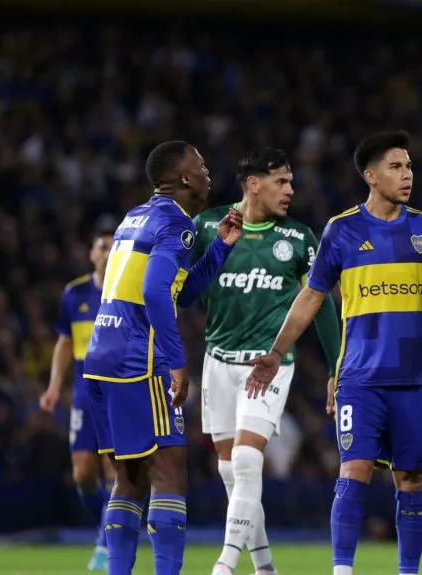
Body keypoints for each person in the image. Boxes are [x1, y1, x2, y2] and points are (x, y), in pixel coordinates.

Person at [245, 130, 422, 575]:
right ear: (370, 176)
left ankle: (408, 572)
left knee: (412, 480)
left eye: (409, 166)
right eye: (396, 166)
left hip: (413, 379)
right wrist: (275, 352)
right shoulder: (341, 230)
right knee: (354, 472)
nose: (407, 175)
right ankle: (342, 572)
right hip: (359, 378)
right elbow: (311, 296)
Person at [83, 140, 242, 575]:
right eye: (202, 165)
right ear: (186, 178)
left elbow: (181, 291)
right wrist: (175, 361)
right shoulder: (176, 222)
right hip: (140, 359)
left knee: (129, 478)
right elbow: (155, 293)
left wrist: (220, 249)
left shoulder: (135, 216)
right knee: (169, 470)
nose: (209, 173)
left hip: (101, 355)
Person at [197, 148, 341, 575]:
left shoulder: (298, 238)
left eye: (291, 182)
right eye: (282, 181)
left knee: (246, 461)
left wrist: (335, 366)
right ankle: (265, 567)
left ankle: (225, 565)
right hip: (217, 361)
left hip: (270, 365)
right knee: (229, 469)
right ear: (253, 184)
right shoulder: (209, 227)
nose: (290, 190)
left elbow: (323, 306)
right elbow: (183, 285)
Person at [39, 224, 116, 572]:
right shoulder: (75, 293)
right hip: (85, 393)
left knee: (113, 470)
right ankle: (110, 526)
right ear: (91, 254)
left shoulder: (126, 292)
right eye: (102, 246)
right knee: (83, 474)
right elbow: (65, 343)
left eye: (114, 247)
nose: (108, 252)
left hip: (117, 389)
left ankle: (106, 541)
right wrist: (55, 386)